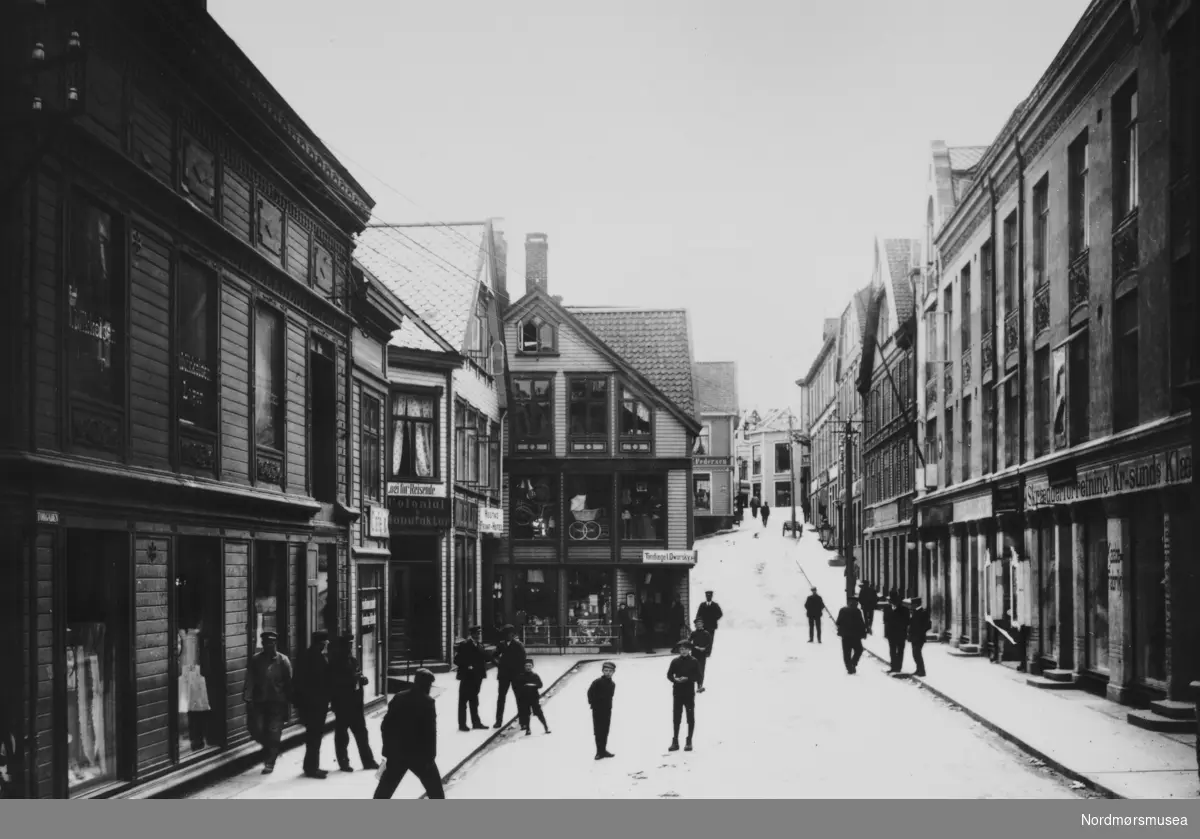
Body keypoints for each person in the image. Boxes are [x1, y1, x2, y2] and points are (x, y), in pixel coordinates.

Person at [373, 668, 445, 799]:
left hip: (397, 753)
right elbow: (430, 733)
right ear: (426, 684)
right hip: (419, 756)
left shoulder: (399, 697)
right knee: (435, 790)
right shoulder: (427, 702)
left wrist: (388, 750)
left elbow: (385, 726)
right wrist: (431, 757)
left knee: (385, 790)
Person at [242, 631, 293, 775]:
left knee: (273, 732)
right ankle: (271, 748)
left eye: (271, 643)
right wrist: (247, 696)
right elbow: (250, 679)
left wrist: (289, 702)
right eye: (265, 643)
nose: (268, 646)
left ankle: (270, 762)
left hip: (277, 702)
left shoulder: (283, 661)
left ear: (275, 643)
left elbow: (289, 683)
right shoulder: (256, 660)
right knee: (255, 730)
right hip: (260, 701)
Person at [330, 634, 379, 772]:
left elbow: (358, 675)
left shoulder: (353, 660)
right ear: (341, 647)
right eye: (347, 645)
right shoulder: (335, 663)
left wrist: (362, 679)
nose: (350, 647)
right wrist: (353, 679)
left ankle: (368, 761)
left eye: (351, 645)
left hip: (356, 704)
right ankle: (343, 762)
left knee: (362, 734)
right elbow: (334, 683)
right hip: (342, 705)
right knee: (342, 736)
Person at [293, 630, 333, 779]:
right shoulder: (314, 657)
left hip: (312, 703)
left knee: (314, 736)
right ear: (321, 643)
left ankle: (311, 766)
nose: (326, 645)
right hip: (314, 704)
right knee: (314, 736)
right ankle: (311, 768)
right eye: (325, 643)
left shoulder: (308, 655)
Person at [666, 641, 702, 752]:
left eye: (686, 649)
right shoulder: (675, 661)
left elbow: (698, 676)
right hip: (677, 691)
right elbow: (669, 674)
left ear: (689, 650)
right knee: (676, 717)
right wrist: (674, 679)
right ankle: (675, 741)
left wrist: (688, 678)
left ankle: (689, 741)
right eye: (681, 649)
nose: (684, 651)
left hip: (689, 692)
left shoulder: (694, 661)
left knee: (690, 716)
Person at [453, 625, 490, 732]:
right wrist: (467, 665)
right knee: (463, 701)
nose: (479, 635)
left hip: (477, 677)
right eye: (477, 633)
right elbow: (457, 660)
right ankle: (462, 724)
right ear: (472, 634)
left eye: (479, 633)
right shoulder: (465, 645)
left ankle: (476, 723)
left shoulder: (479, 645)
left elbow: (486, 658)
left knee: (474, 700)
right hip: (467, 677)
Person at [493, 624, 527, 728]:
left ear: (513, 634)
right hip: (503, 675)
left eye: (510, 634)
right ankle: (498, 721)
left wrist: (521, 674)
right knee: (501, 698)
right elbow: (493, 656)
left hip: (515, 675)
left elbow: (523, 659)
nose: (508, 636)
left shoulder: (518, 645)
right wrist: (498, 664)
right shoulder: (501, 645)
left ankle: (523, 721)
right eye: (506, 634)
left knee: (519, 698)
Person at [587, 661, 617, 760]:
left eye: (610, 671)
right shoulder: (597, 682)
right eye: (606, 671)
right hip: (597, 711)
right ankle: (599, 752)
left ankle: (604, 750)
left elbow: (610, 696)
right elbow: (590, 693)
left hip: (607, 710)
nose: (608, 673)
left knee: (605, 730)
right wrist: (593, 704)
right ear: (602, 671)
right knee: (598, 731)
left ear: (613, 672)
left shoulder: (612, 684)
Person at [515, 659, 551, 735]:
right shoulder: (521, 676)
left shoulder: (535, 675)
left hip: (534, 698)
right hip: (524, 698)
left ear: (532, 666)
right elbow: (518, 687)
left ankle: (546, 727)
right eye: (526, 666)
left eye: (530, 666)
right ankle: (528, 729)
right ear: (524, 666)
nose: (528, 667)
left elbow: (540, 685)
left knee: (539, 713)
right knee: (526, 714)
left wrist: (532, 685)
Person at [835, 597, 867, 675]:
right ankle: (853, 663)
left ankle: (849, 668)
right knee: (859, 650)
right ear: (856, 604)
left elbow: (838, 622)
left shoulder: (843, 610)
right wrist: (864, 634)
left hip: (845, 636)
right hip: (855, 636)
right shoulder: (857, 611)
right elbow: (861, 624)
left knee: (846, 653)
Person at [882, 590, 910, 674]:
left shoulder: (904, 610)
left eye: (896, 601)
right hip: (891, 633)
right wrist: (886, 633)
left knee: (900, 651)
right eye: (892, 601)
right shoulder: (886, 609)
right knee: (892, 650)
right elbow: (885, 621)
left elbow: (907, 621)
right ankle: (893, 667)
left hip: (901, 633)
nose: (894, 603)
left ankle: (898, 667)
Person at [907, 597, 931, 677]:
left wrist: (921, 632)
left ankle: (922, 671)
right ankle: (918, 670)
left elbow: (928, 625)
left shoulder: (923, 612)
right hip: (913, 636)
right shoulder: (914, 611)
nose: (910, 605)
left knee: (917, 654)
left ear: (916, 604)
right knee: (915, 654)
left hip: (919, 637)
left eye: (912, 604)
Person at [695, 591, 724, 656]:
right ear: (706, 597)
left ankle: (708, 652)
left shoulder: (715, 605)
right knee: (703, 639)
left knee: (710, 639)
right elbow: (698, 615)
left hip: (712, 626)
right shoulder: (702, 605)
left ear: (711, 596)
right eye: (707, 596)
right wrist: (699, 622)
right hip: (703, 626)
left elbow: (720, 614)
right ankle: (703, 651)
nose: (708, 597)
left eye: (709, 596)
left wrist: (714, 619)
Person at [688, 619, 713, 692]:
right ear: (695, 625)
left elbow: (709, 644)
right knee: (693, 669)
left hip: (702, 654)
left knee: (701, 669)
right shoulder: (693, 633)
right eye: (697, 624)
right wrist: (694, 647)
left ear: (702, 625)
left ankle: (700, 685)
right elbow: (688, 642)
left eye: (700, 624)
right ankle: (691, 685)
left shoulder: (706, 633)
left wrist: (705, 649)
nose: (698, 625)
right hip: (694, 653)